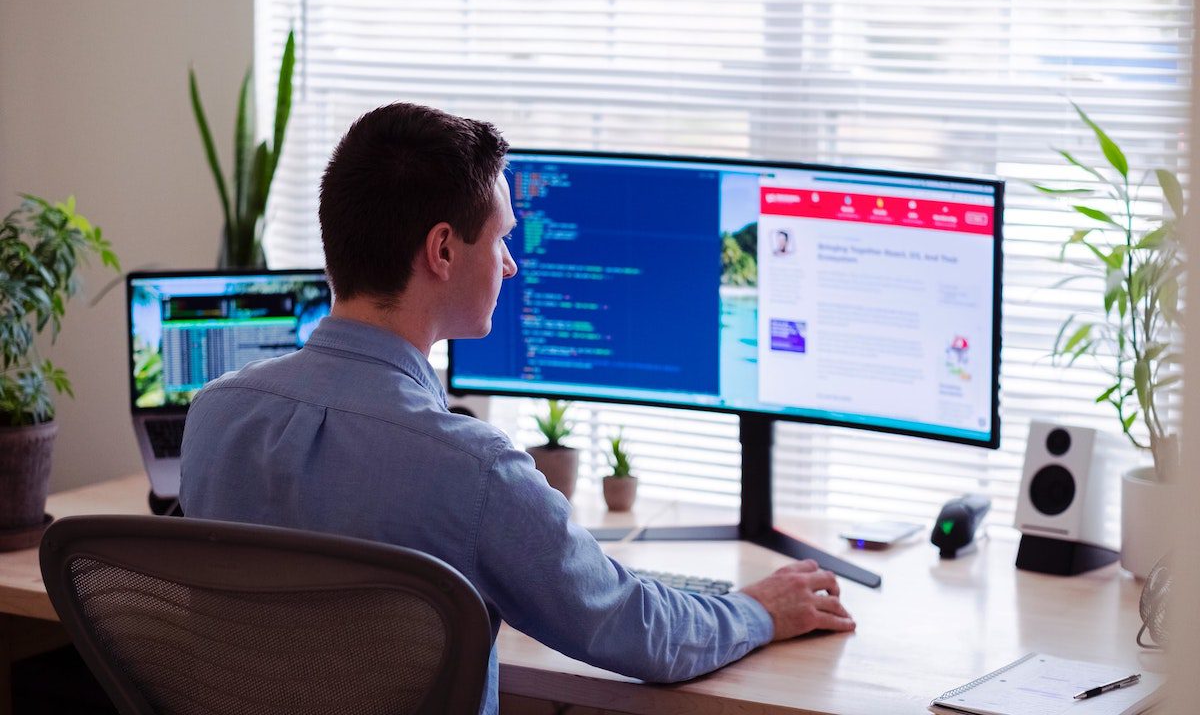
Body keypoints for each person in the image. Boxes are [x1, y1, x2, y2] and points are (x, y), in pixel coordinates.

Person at [179, 102, 854, 715]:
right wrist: (758, 610)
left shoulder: (214, 416)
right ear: (443, 250)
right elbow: (634, 628)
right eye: (501, 239)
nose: (510, 266)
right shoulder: (471, 469)